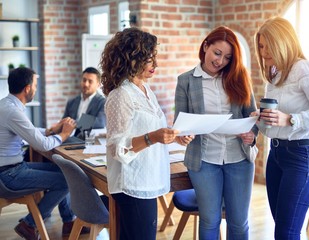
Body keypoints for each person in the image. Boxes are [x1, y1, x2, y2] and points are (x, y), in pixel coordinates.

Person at [253, 17, 309, 240]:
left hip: (302, 157)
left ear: (283, 41)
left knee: (286, 232)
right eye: (261, 46)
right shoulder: (274, 76)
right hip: (277, 155)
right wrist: (260, 120)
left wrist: (291, 119)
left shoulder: (305, 70)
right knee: (282, 226)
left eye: (267, 45)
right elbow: (274, 125)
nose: (263, 52)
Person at [99, 27, 187, 240]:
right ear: (131, 59)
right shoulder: (121, 95)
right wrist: (152, 138)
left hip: (146, 178)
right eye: (149, 59)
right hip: (132, 184)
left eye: (154, 57)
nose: (154, 64)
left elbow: (150, 131)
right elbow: (116, 148)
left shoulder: (146, 91)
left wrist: (173, 136)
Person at [174, 26, 258, 240]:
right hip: (204, 161)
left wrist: (252, 134)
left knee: (239, 222)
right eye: (217, 53)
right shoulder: (186, 80)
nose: (220, 61)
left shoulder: (239, 78)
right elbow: (179, 124)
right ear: (205, 47)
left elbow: (252, 118)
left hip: (239, 157)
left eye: (227, 57)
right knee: (210, 220)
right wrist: (182, 135)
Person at [0, 67, 87, 239]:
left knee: (66, 172)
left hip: (11, 168)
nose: (36, 89)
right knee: (68, 179)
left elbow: (29, 132)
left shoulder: (6, 104)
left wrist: (50, 130)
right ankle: (29, 224)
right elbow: (43, 145)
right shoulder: (13, 111)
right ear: (27, 88)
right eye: (35, 85)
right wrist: (64, 134)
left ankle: (68, 221)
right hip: (9, 175)